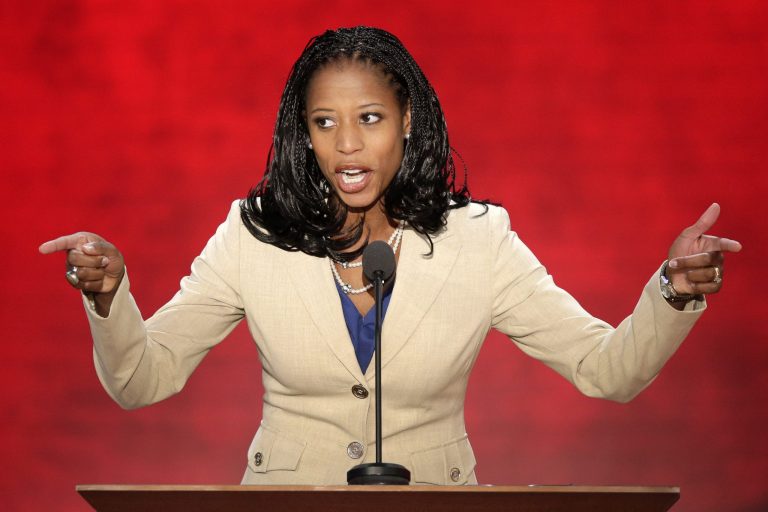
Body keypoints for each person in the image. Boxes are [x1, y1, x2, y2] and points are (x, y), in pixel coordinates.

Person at [39, 26, 741, 485]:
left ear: (407, 120)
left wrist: (673, 290)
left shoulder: (479, 239)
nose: (347, 144)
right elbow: (143, 379)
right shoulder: (252, 234)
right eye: (325, 122)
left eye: (369, 118)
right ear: (304, 133)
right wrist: (108, 295)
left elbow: (606, 370)